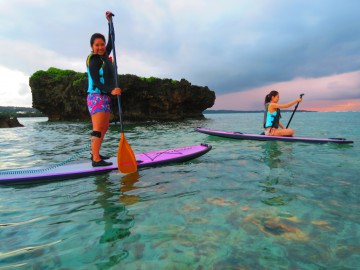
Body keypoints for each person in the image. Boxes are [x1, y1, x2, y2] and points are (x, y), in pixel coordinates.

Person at [86, 11, 121, 167]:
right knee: (98, 128)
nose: (100, 47)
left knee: (104, 127)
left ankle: (96, 153)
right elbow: (96, 81)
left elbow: (112, 40)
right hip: (96, 96)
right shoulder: (93, 60)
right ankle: (95, 159)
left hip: (104, 97)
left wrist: (109, 22)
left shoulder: (104, 56)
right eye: (97, 45)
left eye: (102, 44)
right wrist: (110, 91)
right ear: (92, 47)